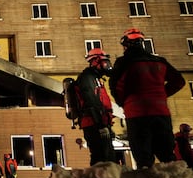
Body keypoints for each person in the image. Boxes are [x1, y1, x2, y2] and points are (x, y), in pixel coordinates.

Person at [109, 28, 186, 169]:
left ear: (126, 44)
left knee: (143, 157)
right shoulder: (160, 61)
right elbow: (179, 81)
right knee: (167, 155)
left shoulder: (124, 62)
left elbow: (115, 86)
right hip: (161, 113)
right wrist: (162, 94)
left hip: (137, 114)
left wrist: (124, 103)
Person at [75, 48, 116, 166]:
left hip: (99, 123)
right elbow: (91, 101)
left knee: (107, 157)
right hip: (94, 124)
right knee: (101, 157)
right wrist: (101, 125)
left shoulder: (96, 79)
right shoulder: (87, 78)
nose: (107, 65)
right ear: (95, 61)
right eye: (104, 62)